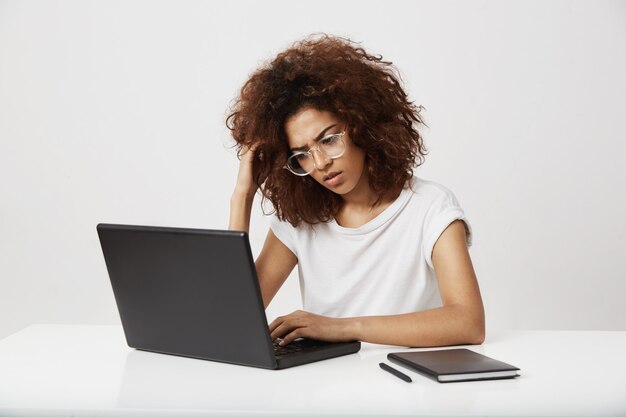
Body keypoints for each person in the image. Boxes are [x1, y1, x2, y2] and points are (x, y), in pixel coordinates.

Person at [226, 34, 485, 348]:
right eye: (302, 154)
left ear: (362, 125)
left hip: (406, 385)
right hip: (323, 387)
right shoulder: (300, 220)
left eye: (328, 139)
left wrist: (341, 328)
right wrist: (243, 196)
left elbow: (469, 323)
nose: (319, 163)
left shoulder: (430, 208)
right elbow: (234, 321)